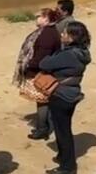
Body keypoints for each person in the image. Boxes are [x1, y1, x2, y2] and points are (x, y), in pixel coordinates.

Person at [38, 21, 92, 174]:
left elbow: (44, 64)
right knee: (63, 128)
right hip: (72, 93)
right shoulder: (81, 52)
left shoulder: (68, 54)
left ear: (72, 37)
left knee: (63, 132)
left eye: (65, 33)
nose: (62, 35)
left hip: (61, 95)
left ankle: (68, 167)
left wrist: (54, 53)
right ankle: (62, 156)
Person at [14, 8, 62, 140]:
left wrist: (28, 65)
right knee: (43, 101)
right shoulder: (47, 32)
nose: (37, 18)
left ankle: (42, 129)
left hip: (41, 73)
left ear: (46, 18)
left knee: (42, 101)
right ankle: (44, 126)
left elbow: (41, 58)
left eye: (39, 16)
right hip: (43, 71)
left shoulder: (47, 35)